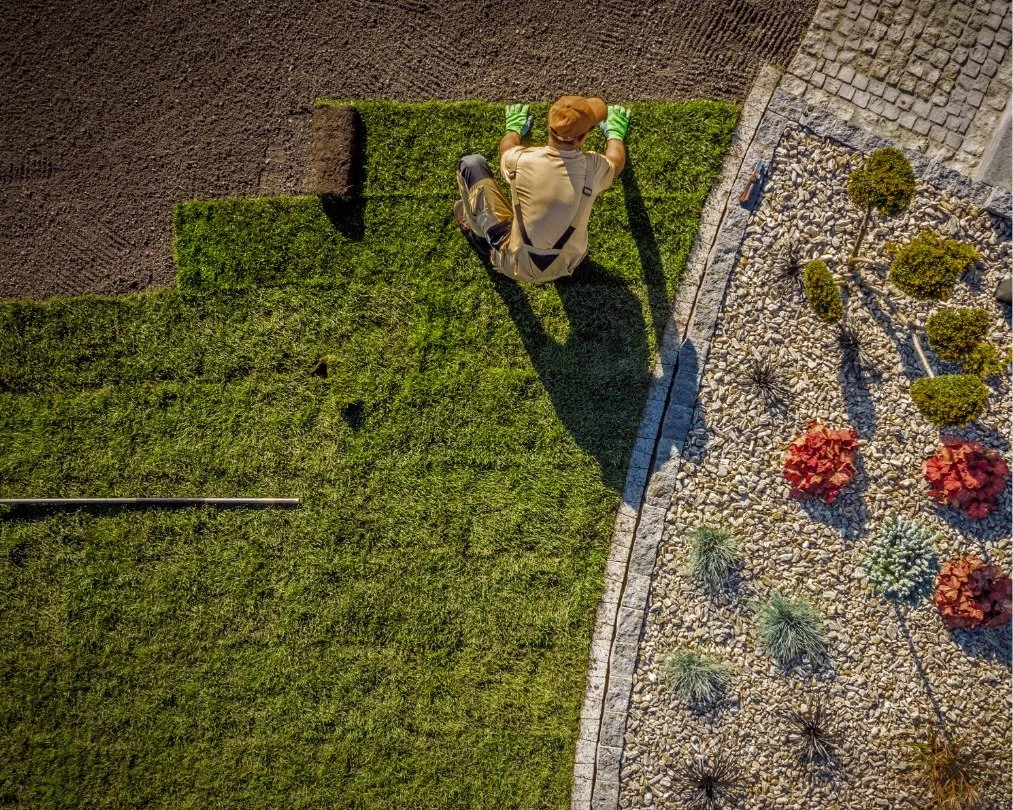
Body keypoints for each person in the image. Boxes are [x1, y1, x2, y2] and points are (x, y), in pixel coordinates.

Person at [454, 96, 631, 283]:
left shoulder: (519, 159)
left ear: (549, 127)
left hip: (514, 264)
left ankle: (480, 238)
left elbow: (507, 147)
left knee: (471, 164)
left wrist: (513, 129)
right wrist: (615, 134)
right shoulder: (593, 168)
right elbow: (616, 161)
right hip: (568, 263)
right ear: (583, 137)